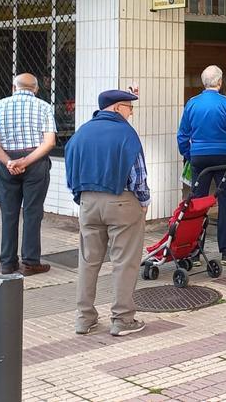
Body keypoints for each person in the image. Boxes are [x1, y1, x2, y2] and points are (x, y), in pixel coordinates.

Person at [65, 89, 149, 337]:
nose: (131, 112)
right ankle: (122, 319)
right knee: (125, 261)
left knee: (88, 261)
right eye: (129, 107)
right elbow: (138, 174)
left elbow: (70, 171)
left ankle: (84, 318)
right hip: (122, 202)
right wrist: (143, 201)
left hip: (88, 203)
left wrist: (81, 197)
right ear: (116, 108)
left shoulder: (81, 132)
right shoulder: (126, 133)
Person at [0, 73, 57, 276]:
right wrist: (26, 161)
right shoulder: (44, 107)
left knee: (9, 213)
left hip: (7, 162)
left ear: (13, 87)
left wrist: (9, 161)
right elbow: (49, 142)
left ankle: (7, 262)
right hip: (35, 161)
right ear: (35, 89)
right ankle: (31, 262)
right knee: (33, 212)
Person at [177, 65, 226, 264]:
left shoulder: (192, 103)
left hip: (199, 158)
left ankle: (194, 253)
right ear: (220, 82)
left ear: (203, 82)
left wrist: (189, 154)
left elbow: (182, 134)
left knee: (197, 204)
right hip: (225, 157)